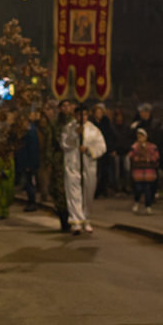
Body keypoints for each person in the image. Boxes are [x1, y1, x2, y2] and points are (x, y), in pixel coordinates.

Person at [60, 100, 106, 234]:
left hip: (88, 166)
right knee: (74, 192)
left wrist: (88, 150)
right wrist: (75, 135)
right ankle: (76, 221)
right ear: (75, 116)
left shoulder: (94, 130)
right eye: (80, 115)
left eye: (85, 115)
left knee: (87, 193)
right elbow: (64, 143)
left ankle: (86, 218)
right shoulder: (69, 128)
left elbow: (102, 147)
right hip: (73, 165)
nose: (82, 118)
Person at [129, 127, 160, 213]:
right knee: (138, 188)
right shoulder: (135, 147)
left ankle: (148, 206)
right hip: (138, 172)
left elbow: (156, 156)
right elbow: (131, 156)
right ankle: (136, 202)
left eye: (142, 136)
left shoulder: (152, 147)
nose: (140, 139)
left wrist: (149, 158)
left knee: (147, 189)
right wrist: (138, 158)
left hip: (149, 172)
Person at [15, 109, 40, 210]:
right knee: (27, 183)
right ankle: (30, 201)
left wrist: (30, 165)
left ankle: (32, 202)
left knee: (30, 183)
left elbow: (32, 150)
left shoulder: (31, 133)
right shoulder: (26, 132)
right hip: (25, 162)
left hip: (29, 163)